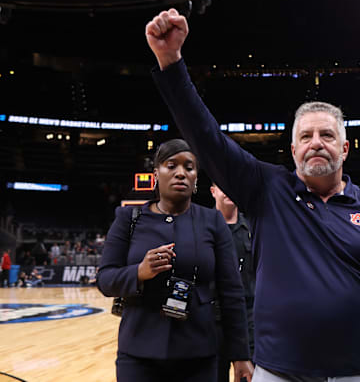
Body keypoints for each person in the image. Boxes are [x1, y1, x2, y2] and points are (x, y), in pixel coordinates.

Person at [145, 9, 360, 380]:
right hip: (277, 372)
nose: (316, 143)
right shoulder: (266, 189)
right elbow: (207, 138)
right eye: (306, 136)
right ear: (293, 150)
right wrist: (171, 63)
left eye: (327, 135)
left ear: (345, 149)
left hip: (353, 373)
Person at [96, 139, 253, 382]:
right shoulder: (128, 218)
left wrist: (240, 354)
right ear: (156, 173)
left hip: (199, 354)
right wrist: (139, 272)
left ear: (196, 178)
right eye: (172, 166)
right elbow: (105, 280)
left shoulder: (213, 222)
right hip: (138, 353)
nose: (181, 173)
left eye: (189, 167)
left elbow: (232, 292)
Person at [210, 183, 256, 382]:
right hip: (213, 319)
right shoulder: (202, 228)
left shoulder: (253, 228)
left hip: (249, 319)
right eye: (223, 185)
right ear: (213, 191)